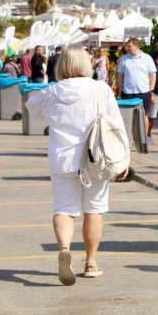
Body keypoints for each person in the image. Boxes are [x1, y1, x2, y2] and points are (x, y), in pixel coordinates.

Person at [25, 46, 129, 286]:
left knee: (64, 209)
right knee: (94, 209)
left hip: (62, 159)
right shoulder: (100, 89)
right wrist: (124, 158)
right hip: (96, 159)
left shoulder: (52, 91)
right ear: (86, 64)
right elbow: (116, 124)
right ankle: (91, 262)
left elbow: (32, 106)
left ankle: (64, 249)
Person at [116, 38, 157, 135]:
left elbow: (152, 74)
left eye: (129, 46)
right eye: (127, 46)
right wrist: (120, 90)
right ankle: (129, 139)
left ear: (136, 46)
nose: (127, 48)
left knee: (144, 116)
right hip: (128, 92)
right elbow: (120, 75)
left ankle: (144, 139)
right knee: (127, 117)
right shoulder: (124, 59)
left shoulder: (147, 58)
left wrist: (151, 89)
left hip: (144, 92)